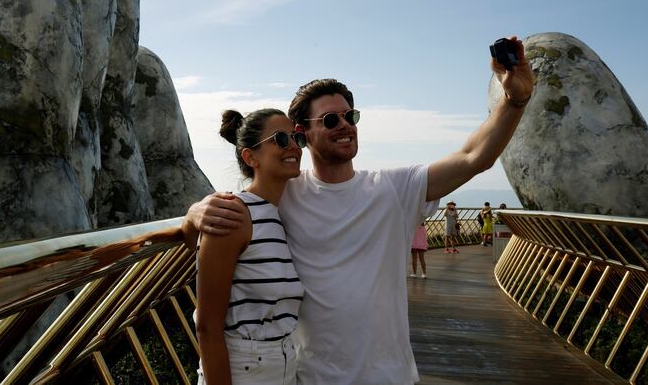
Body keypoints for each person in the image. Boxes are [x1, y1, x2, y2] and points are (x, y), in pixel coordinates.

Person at [181, 36, 535, 384]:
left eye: (350, 116)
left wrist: (514, 101)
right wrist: (195, 213)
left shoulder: (394, 188)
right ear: (303, 134)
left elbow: (474, 157)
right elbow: (240, 209)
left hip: (388, 376)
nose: (346, 125)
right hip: (308, 378)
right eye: (331, 120)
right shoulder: (286, 194)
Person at [194, 108, 306, 385]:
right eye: (281, 139)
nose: (293, 146)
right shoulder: (234, 214)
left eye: (297, 138)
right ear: (250, 156)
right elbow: (207, 326)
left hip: (284, 364)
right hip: (244, 368)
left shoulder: (284, 211)